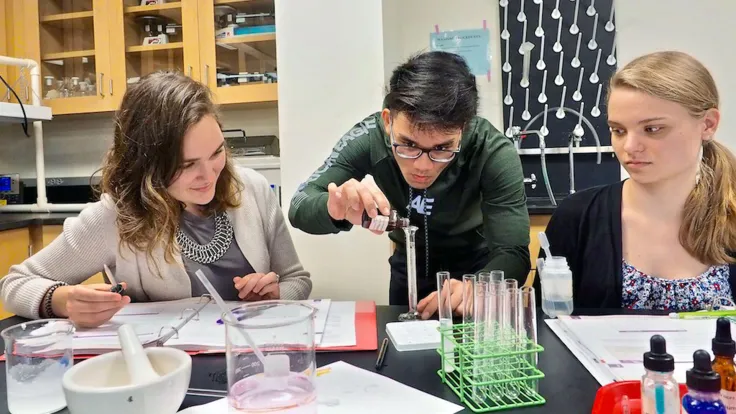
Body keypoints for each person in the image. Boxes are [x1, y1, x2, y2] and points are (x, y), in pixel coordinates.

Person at [0, 71, 312, 327]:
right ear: (146, 166)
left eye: (217, 152)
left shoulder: (253, 189)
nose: (209, 175)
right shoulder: (114, 217)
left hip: (252, 364)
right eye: (186, 165)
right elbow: (14, 284)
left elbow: (297, 279)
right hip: (165, 372)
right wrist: (64, 301)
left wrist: (276, 296)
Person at [288, 51, 531, 319]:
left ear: (463, 128)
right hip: (409, 267)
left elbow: (514, 252)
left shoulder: (492, 150)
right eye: (408, 144)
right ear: (387, 121)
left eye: (442, 148)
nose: (423, 166)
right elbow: (299, 205)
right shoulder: (369, 138)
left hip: (476, 269)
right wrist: (333, 208)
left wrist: (480, 287)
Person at [539, 51, 736, 311]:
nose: (629, 147)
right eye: (618, 130)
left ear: (708, 125)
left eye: (652, 129)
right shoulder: (578, 218)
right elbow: (542, 331)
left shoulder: (729, 214)